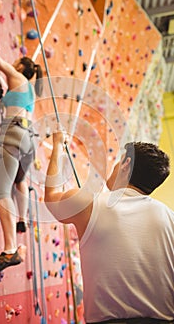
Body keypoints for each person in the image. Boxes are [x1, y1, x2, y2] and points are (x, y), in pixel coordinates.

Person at [44, 128, 174, 324]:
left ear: (126, 164)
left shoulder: (89, 203)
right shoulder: (170, 218)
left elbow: (52, 199)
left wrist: (57, 147)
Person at [0, 16, 43, 276]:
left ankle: (10, 249)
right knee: (20, 181)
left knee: (1, 192)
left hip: (14, 133)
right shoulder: (32, 92)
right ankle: (21, 220)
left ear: (20, 67)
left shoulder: (16, 76)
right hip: (29, 138)